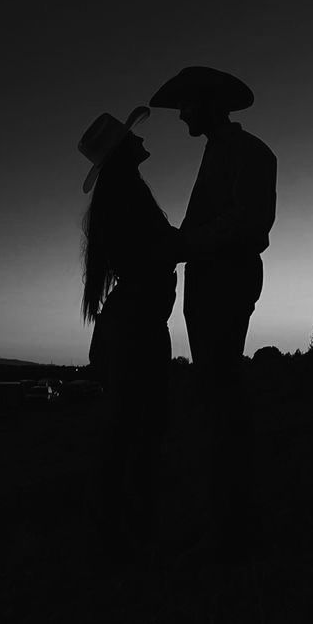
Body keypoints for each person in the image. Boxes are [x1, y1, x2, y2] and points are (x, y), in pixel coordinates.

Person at [149, 66, 277, 555]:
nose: (181, 115)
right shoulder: (220, 152)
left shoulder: (252, 153)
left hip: (226, 276)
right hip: (209, 278)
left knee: (220, 391)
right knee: (214, 389)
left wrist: (182, 245)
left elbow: (249, 221)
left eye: (186, 106)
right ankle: (229, 510)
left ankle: (234, 520)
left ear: (207, 104)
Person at [78, 106, 180, 561]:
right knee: (139, 428)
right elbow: (158, 250)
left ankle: (123, 529)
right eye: (131, 137)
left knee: (130, 428)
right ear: (122, 152)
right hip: (138, 325)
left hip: (133, 323)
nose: (140, 139)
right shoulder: (128, 196)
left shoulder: (123, 194)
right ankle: (131, 532)